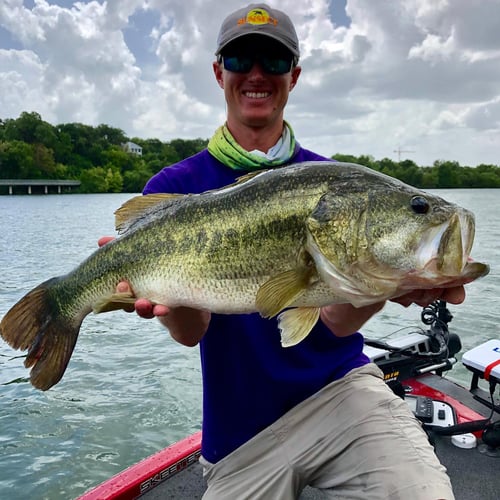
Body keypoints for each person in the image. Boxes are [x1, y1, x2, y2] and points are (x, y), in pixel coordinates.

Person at [102, 4, 464, 499]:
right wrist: (164, 298)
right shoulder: (175, 188)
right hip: (239, 431)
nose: (256, 74)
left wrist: (386, 282)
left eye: (273, 62)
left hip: (340, 392)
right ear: (218, 72)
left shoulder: (335, 180)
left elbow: (336, 323)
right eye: (240, 60)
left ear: (293, 76)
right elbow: (191, 335)